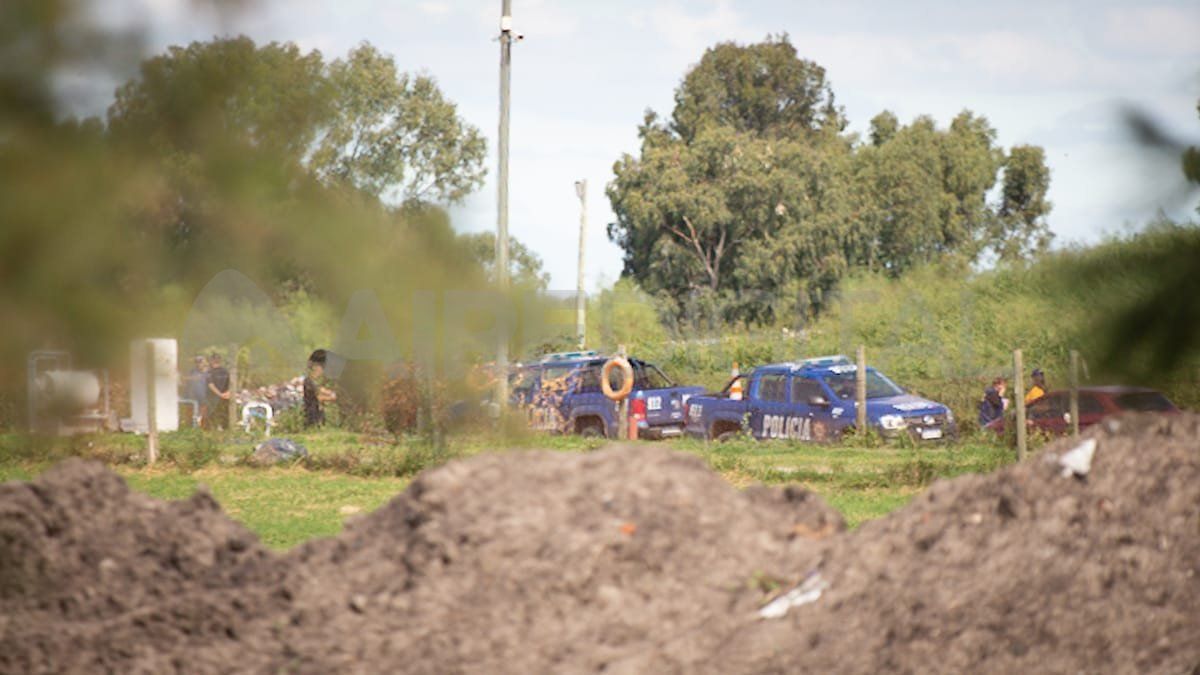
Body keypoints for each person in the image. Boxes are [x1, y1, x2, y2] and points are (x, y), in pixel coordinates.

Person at [303, 349, 337, 428]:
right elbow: (319, 397)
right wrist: (334, 397)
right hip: (312, 420)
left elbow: (320, 389)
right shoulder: (309, 381)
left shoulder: (311, 381)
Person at [206, 353, 232, 430]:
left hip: (216, 398)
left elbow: (211, 385)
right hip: (221, 397)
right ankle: (222, 430)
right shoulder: (225, 371)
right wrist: (225, 394)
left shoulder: (210, 372)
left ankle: (217, 430)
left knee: (216, 415)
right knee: (221, 415)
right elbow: (231, 384)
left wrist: (222, 394)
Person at [182, 355, 209, 427]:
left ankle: (203, 429)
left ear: (205, 362)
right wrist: (191, 378)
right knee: (190, 413)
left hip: (204, 396)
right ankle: (189, 428)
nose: (198, 364)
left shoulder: (209, 372)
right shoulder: (192, 371)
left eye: (200, 362)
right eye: (197, 362)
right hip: (192, 396)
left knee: (204, 414)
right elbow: (184, 379)